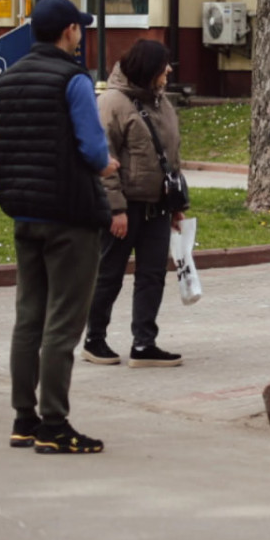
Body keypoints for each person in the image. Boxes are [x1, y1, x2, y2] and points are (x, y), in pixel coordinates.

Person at [0, 0, 118, 455]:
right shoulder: (73, 79)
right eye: (79, 28)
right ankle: (55, 424)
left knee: (28, 318)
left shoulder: (8, 79)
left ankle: (23, 419)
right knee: (64, 323)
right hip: (70, 215)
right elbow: (91, 146)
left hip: (24, 211)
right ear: (68, 31)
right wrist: (107, 165)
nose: (81, 35)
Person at [83, 40, 186, 368]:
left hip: (158, 206)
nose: (168, 71)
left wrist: (177, 202)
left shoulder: (162, 103)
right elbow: (104, 158)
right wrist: (116, 209)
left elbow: (172, 156)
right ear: (147, 69)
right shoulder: (112, 103)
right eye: (163, 66)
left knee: (152, 275)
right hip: (125, 208)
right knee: (109, 275)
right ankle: (94, 340)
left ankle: (144, 343)